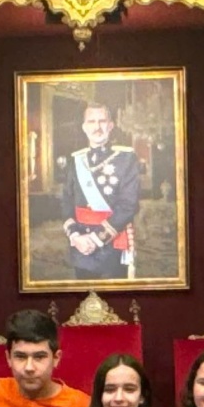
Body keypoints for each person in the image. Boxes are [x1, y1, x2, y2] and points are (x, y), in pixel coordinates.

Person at [58, 99, 142, 282]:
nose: (97, 127)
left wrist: (95, 239)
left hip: (111, 247)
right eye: (91, 121)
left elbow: (128, 206)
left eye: (102, 121)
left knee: (115, 304)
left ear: (111, 126)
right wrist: (75, 236)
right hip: (81, 247)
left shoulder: (126, 158)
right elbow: (66, 202)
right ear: (84, 127)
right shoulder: (75, 160)